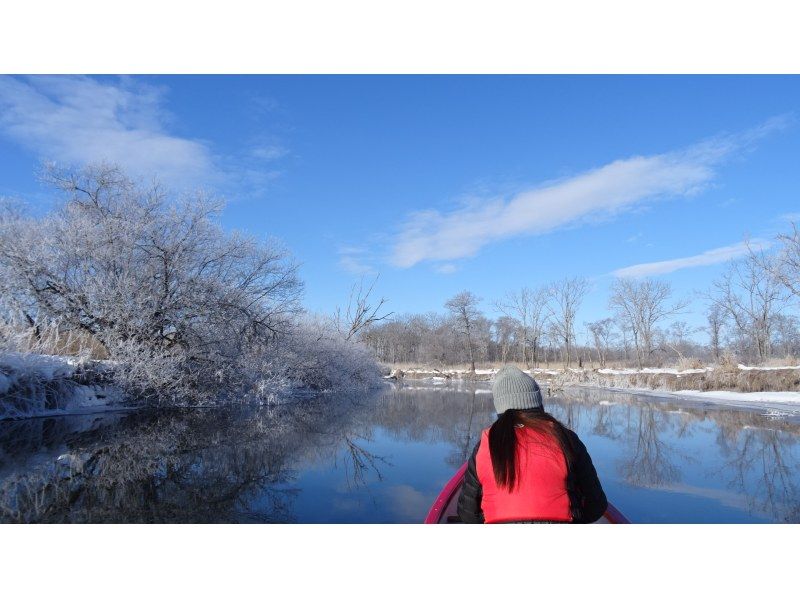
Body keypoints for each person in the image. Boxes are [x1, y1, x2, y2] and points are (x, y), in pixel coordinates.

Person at [457, 365, 607, 523]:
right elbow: (596, 506)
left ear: (500, 406)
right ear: (537, 402)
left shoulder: (486, 443)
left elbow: (467, 515)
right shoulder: (566, 438)